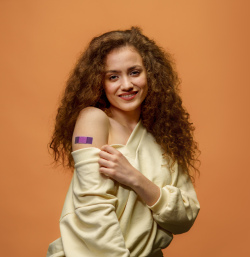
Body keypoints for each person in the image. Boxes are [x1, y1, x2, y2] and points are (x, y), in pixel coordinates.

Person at [46, 27, 200, 257]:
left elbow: (184, 218)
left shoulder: (165, 136)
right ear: (99, 82)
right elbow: (92, 211)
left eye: (135, 72)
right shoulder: (93, 121)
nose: (126, 85)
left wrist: (135, 179)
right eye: (113, 76)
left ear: (151, 74)